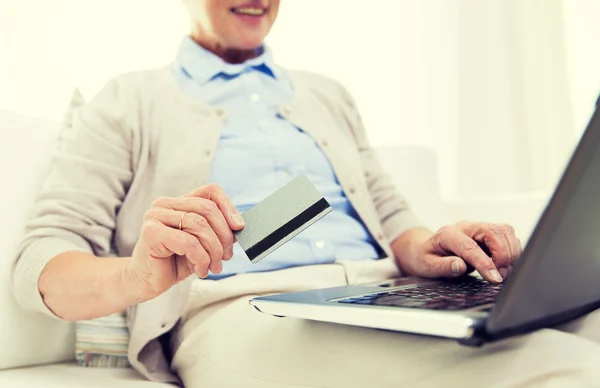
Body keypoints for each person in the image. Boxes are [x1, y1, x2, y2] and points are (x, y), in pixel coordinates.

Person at [12, 0, 600, 387]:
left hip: (389, 291)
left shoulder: (328, 95)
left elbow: (394, 216)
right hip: (245, 309)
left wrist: (429, 245)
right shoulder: (128, 99)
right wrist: (134, 280)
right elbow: (39, 262)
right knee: (559, 372)